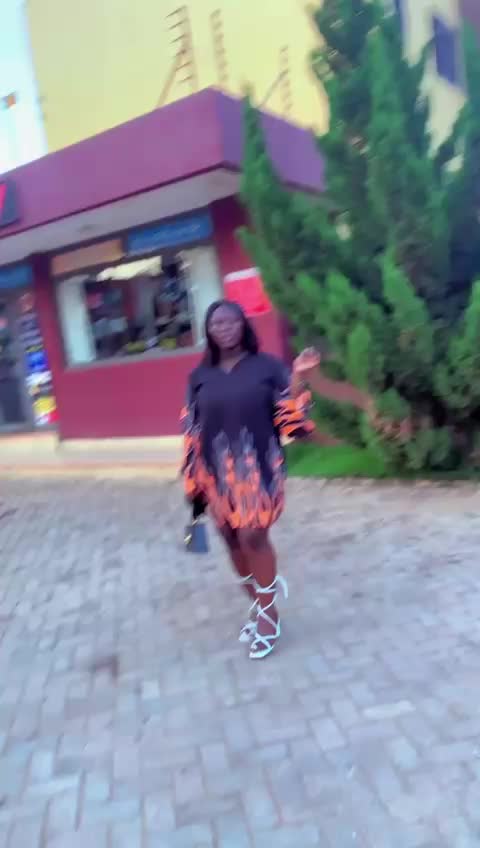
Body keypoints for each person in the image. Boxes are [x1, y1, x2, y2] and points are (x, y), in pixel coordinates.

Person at [181, 300, 319, 659]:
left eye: (231, 321)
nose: (224, 328)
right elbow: (192, 430)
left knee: (252, 535)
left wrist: (299, 376)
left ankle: (269, 615)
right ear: (208, 331)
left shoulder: (268, 367)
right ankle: (258, 604)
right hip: (215, 473)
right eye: (217, 323)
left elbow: (292, 422)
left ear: (243, 325)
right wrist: (192, 482)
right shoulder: (199, 377)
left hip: (259, 468)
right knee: (231, 540)